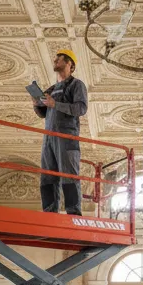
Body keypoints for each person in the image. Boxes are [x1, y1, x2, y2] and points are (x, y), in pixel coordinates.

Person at [32, 48, 88, 215]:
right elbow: (43, 113)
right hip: (48, 138)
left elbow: (81, 108)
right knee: (47, 176)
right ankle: (49, 212)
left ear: (69, 63)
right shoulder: (51, 89)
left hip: (66, 137)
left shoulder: (76, 85)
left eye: (59, 59)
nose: (55, 61)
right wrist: (36, 104)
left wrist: (55, 104)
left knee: (68, 175)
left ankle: (73, 212)